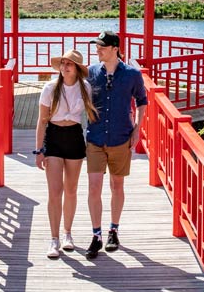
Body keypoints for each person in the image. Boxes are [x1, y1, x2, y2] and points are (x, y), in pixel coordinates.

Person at [84, 30, 147, 259]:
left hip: (121, 137)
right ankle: (96, 234)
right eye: (97, 46)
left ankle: (114, 230)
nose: (97, 50)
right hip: (95, 138)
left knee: (116, 185)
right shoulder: (91, 72)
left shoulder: (132, 74)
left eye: (101, 46)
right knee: (94, 187)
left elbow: (142, 101)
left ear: (114, 49)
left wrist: (137, 128)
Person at [34, 48, 97, 259]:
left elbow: (91, 117)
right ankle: (54, 239)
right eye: (62, 63)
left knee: (71, 190)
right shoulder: (50, 88)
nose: (64, 67)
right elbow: (41, 121)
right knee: (55, 191)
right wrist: (38, 149)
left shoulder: (85, 87)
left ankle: (68, 234)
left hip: (74, 137)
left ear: (77, 69)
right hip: (53, 137)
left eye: (69, 64)